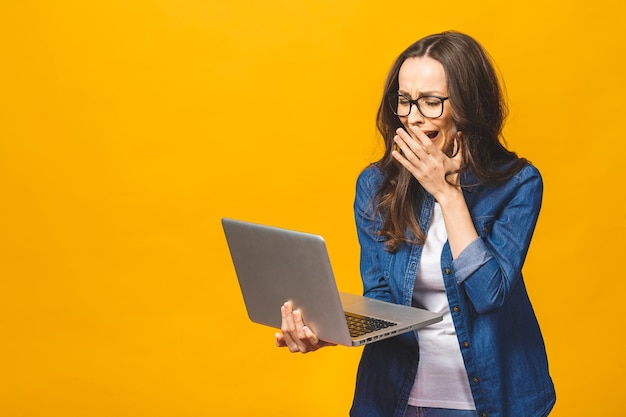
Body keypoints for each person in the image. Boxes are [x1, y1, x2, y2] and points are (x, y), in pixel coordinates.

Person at [276, 31, 556, 417]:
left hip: (487, 403)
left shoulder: (517, 183)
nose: (411, 116)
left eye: (430, 102)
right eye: (405, 101)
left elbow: (488, 294)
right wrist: (331, 330)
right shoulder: (375, 185)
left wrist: (448, 194)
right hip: (394, 399)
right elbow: (383, 299)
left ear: (467, 106)